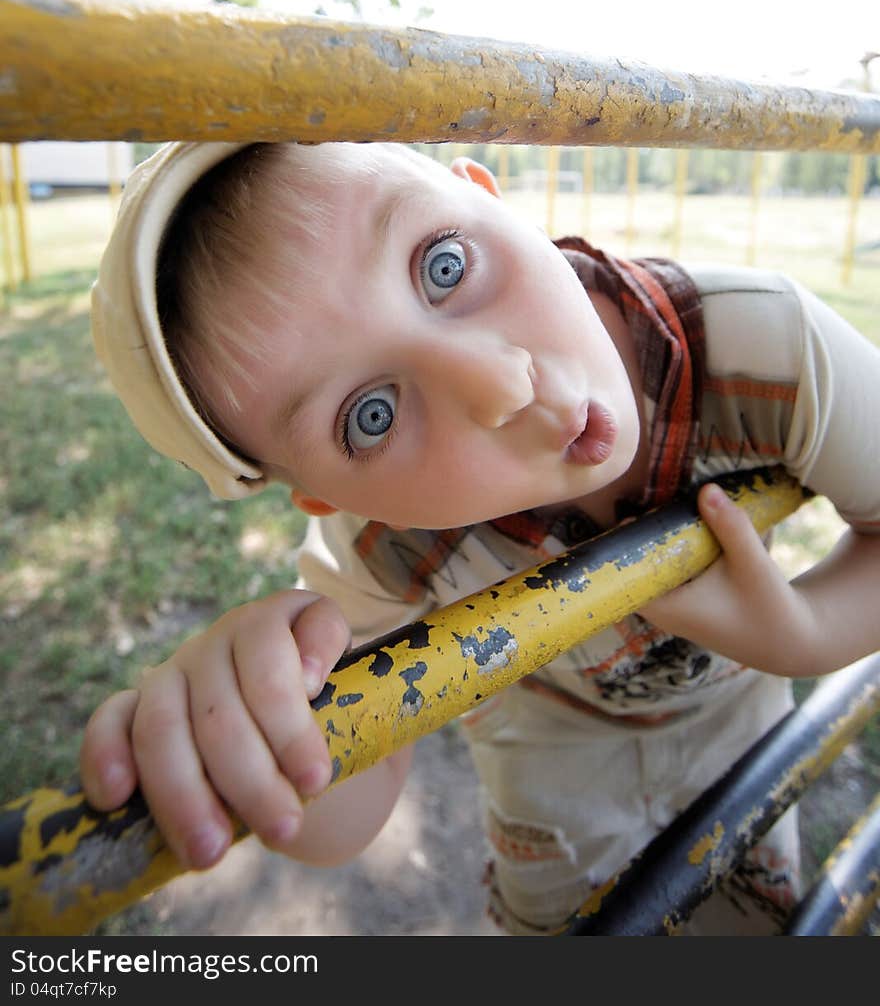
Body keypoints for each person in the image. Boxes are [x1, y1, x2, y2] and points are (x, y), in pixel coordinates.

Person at [84, 140, 880, 934]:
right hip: (549, 779)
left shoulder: (763, 339)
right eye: (373, 416)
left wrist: (806, 634)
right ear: (326, 498)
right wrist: (260, 731)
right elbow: (341, 814)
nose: (501, 384)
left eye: (445, 267)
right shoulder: (379, 543)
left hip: (735, 722)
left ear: (491, 198)